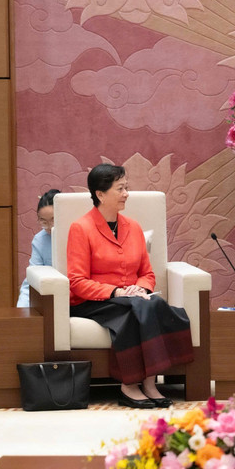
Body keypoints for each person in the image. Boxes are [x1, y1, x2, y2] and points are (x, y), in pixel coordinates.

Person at [67, 164, 193, 409]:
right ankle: (131, 384)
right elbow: (77, 282)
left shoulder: (133, 227)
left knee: (152, 302)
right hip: (93, 302)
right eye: (120, 189)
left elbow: (147, 273)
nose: (126, 194)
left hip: (131, 298)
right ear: (100, 194)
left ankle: (147, 382)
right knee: (138, 311)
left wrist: (141, 289)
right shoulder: (81, 228)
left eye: (126, 188)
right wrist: (116, 292)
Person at [17, 189, 60, 307]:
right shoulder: (40, 240)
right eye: (44, 222)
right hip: (52, 297)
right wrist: (22, 308)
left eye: (53, 220)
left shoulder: (80, 234)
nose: (50, 227)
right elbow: (32, 277)